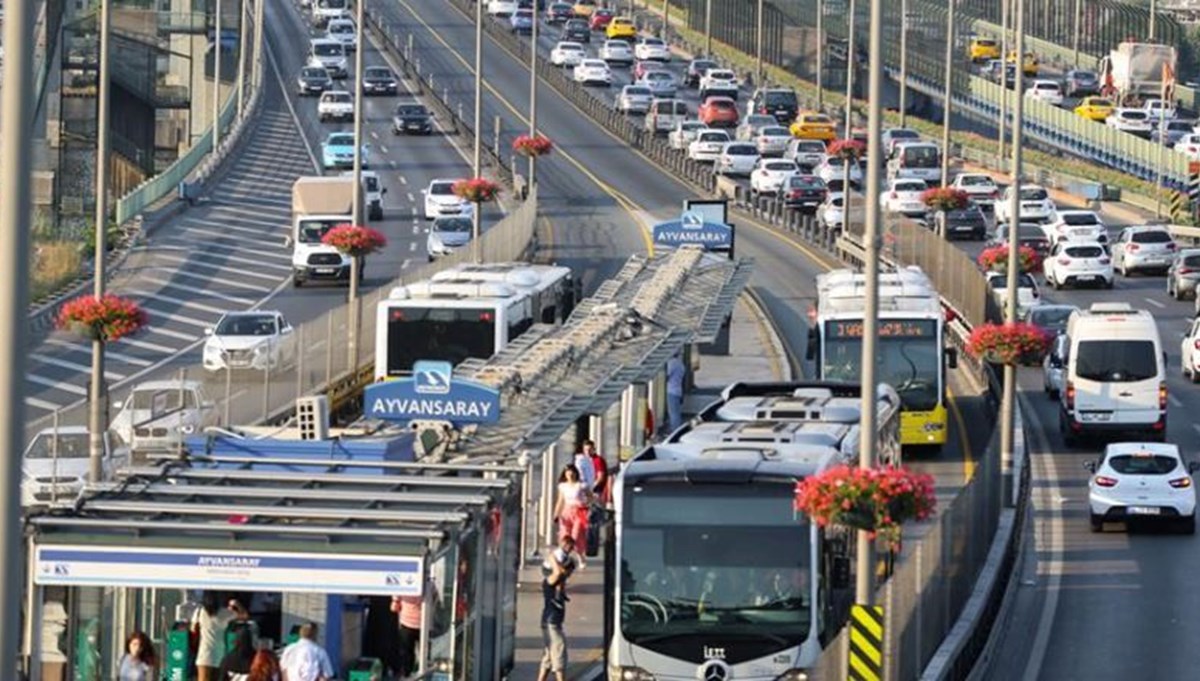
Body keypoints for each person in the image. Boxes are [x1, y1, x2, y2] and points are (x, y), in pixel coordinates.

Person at [536, 538, 571, 681]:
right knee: (559, 654)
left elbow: (564, 570)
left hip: (552, 622)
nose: (566, 574)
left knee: (549, 655)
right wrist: (552, 557)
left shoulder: (559, 584)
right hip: (551, 623)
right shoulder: (549, 582)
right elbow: (557, 572)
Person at [192, 593, 247, 681]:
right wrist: (236, 604)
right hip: (220, 655)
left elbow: (193, 629)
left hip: (204, 654)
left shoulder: (199, 612)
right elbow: (244, 615)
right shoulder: (224, 613)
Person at [553, 464, 594, 559]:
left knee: (576, 535)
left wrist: (586, 504)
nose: (570, 476)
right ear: (565, 475)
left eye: (572, 473)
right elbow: (560, 501)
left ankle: (580, 556)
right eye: (568, 474)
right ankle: (564, 556)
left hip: (579, 511)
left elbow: (591, 497)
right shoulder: (562, 486)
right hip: (566, 511)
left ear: (576, 474)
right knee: (565, 534)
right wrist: (556, 514)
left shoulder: (581, 485)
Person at [666, 353, 686, 432]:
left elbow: (667, 375)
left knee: (673, 413)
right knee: (677, 413)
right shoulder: (681, 364)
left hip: (671, 391)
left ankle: (675, 431)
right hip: (678, 390)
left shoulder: (672, 363)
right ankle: (677, 430)